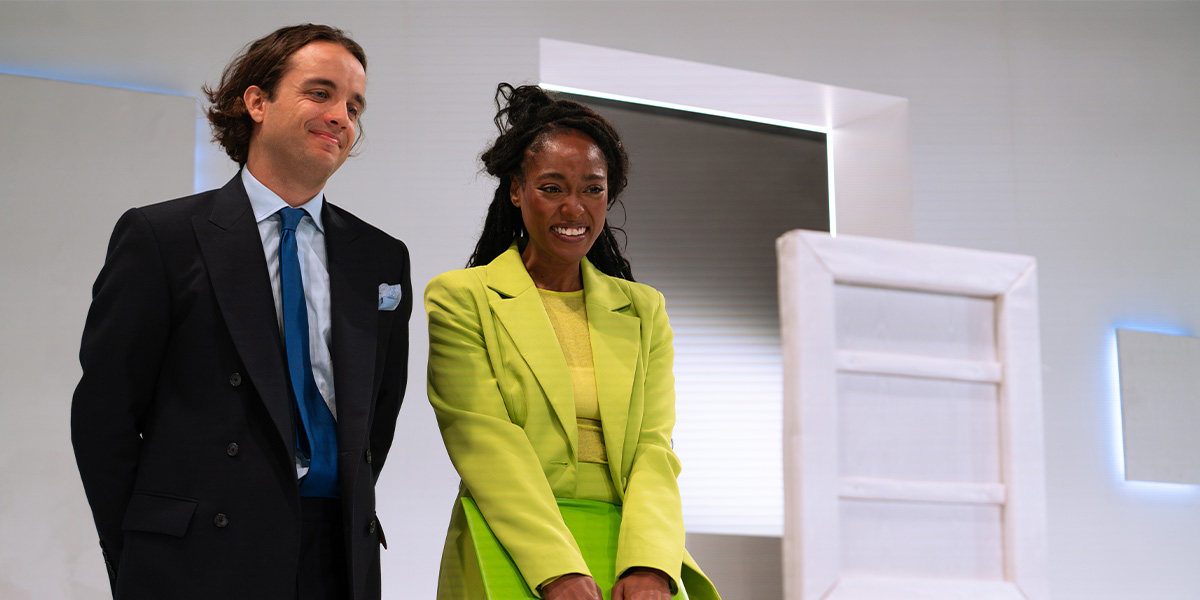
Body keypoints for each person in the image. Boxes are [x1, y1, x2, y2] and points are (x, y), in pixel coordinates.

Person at [70, 24, 411, 600]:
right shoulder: (162, 236)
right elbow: (104, 414)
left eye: (354, 106)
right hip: (198, 557)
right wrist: (139, 555)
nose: (341, 117)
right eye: (320, 93)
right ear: (257, 102)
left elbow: (379, 410)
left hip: (337, 558)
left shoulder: (381, 256)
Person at [425, 84, 720, 600]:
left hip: (631, 551)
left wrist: (651, 564)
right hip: (511, 547)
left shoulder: (644, 309)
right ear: (516, 191)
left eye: (592, 189)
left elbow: (653, 448)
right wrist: (557, 570)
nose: (574, 208)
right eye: (552, 188)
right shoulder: (461, 298)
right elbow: (485, 445)